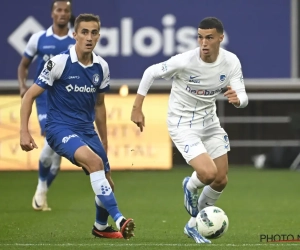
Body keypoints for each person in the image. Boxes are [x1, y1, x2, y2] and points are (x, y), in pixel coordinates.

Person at [131, 17, 248, 244]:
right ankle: (190, 185)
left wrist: (238, 100)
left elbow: (242, 95)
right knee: (207, 174)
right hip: (182, 124)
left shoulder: (231, 62)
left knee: (221, 179)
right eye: (200, 37)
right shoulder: (185, 61)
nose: (203, 43)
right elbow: (150, 72)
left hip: (209, 123)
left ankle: (193, 225)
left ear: (220, 39)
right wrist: (137, 107)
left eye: (209, 38)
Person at [20, 13, 135, 239]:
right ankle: (120, 219)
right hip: (58, 128)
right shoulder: (58, 62)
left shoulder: (102, 66)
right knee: (94, 163)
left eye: (94, 33)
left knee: (108, 183)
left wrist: (104, 138)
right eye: (84, 32)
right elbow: (29, 96)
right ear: (75, 35)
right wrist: (24, 131)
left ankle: (100, 227)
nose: (89, 37)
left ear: (99, 36)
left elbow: (100, 105)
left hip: (86, 129)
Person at [17, 0, 75, 211]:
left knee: (57, 157)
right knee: (52, 141)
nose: (62, 13)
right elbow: (24, 65)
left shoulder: (75, 40)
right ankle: (41, 188)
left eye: (66, 10)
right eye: (58, 10)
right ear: (52, 13)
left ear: (70, 14)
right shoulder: (38, 38)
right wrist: (23, 85)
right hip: (44, 98)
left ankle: (42, 192)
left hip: (68, 101)